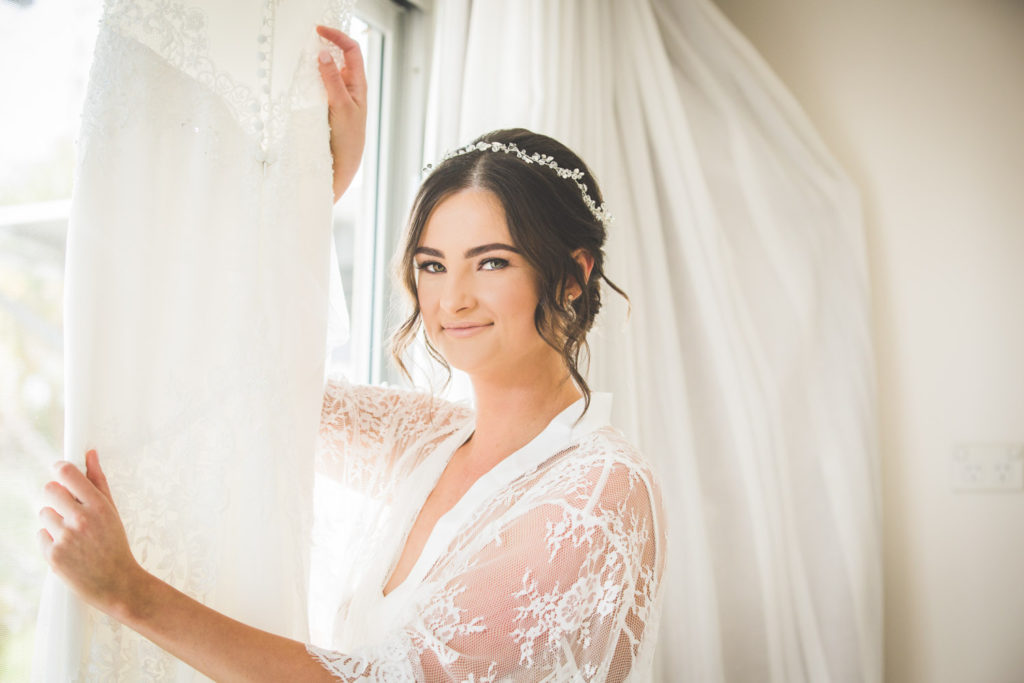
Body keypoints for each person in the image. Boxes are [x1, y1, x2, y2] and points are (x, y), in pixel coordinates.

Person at [38, 26, 666, 682]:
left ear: (573, 274)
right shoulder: (431, 437)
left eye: (491, 262)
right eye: (432, 264)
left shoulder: (601, 487)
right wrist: (321, 185)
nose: (452, 298)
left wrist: (130, 594)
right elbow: (246, 372)